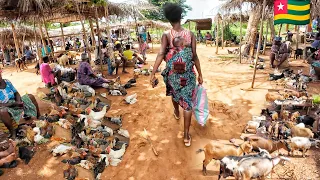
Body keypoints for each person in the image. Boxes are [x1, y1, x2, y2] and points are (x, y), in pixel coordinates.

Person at [150, 3, 203, 147]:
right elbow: (194, 56)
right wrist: (200, 74)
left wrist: (153, 73)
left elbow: (161, 53)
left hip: (173, 75)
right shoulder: (190, 35)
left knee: (174, 94)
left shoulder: (167, 35)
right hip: (188, 75)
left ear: (168, 19)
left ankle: (175, 110)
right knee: (187, 103)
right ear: (181, 17)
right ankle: (186, 135)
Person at [0, 69, 40, 138]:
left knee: (30, 96)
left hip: (15, 102)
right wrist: (13, 104)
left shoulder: (7, 81)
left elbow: (16, 92)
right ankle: (13, 132)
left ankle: (39, 117)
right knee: (2, 111)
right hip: (6, 106)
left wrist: (19, 101)